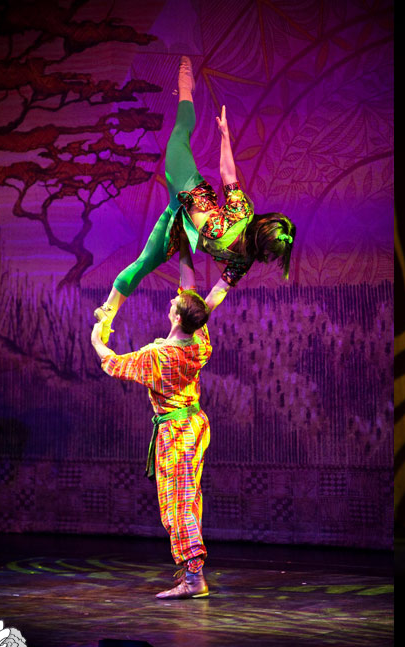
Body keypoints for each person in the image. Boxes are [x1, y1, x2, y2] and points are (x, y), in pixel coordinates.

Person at [93, 55, 295, 343]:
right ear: (260, 239)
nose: (266, 259)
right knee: (180, 133)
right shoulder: (241, 212)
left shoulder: (243, 261)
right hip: (185, 184)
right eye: (270, 254)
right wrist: (224, 135)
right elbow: (228, 174)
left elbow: (217, 293)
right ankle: (186, 86)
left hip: (179, 224)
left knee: (143, 263)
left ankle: (107, 313)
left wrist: (195, 324)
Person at [91, 233, 212, 599]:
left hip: (176, 432)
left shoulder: (157, 357)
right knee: (186, 497)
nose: (172, 299)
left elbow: (113, 363)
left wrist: (97, 337)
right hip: (193, 425)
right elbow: (189, 290)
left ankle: (194, 577)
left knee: (178, 501)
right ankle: (190, 571)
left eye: (175, 302)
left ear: (176, 317)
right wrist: (185, 247)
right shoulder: (199, 341)